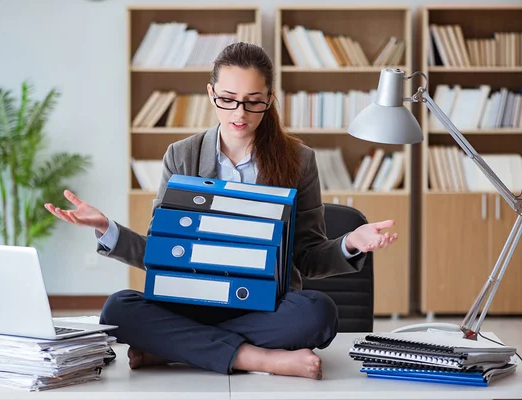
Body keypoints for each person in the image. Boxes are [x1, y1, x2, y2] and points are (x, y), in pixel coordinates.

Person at [44, 42, 397, 380]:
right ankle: (256, 357)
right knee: (118, 309)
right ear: (211, 93)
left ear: (269, 100)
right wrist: (108, 228)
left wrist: (351, 242)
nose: (239, 113)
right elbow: (162, 253)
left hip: (264, 306)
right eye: (227, 100)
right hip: (191, 301)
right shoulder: (181, 156)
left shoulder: (299, 161)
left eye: (252, 102)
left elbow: (306, 257)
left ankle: (174, 348)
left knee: (319, 314)